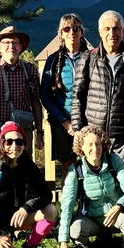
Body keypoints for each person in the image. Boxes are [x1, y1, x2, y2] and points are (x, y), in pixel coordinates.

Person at [72, 11, 124, 167]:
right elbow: (78, 96)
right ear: (100, 32)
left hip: (123, 137)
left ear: (123, 31)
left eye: (116, 28)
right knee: (95, 184)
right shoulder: (88, 58)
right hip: (93, 137)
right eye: (107, 29)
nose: (111, 33)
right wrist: (77, 130)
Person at [58, 125, 124, 248]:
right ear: (81, 148)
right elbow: (67, 205)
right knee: (76, 229)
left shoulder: (114, 161)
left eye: (98, 144)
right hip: (91, 219)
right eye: (89, 145)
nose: (95, 149)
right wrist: (63, 241)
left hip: (117, 216)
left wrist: (119, 206)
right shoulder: (75, 170)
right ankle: (83, 246)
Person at [0, 26, 44, 155]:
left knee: (22, 170)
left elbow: (36, 102)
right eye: (6, 42)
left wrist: (39, 132)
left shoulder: (30, 70)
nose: (11, 46)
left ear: (20, 47)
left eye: (15, 42)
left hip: (23, 130)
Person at [41, 13, 89, 173]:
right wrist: (63, 121)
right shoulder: (53, 61)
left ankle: (89, 199)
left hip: (89, 121)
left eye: (76, 28)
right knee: (69, 168)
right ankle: (69, 198)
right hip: (63, 123)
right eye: (67, 29)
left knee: (92, 164)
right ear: (61, 33)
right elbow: (45, 95)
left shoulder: (92, 58)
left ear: (81, 32)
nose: (71, 32)